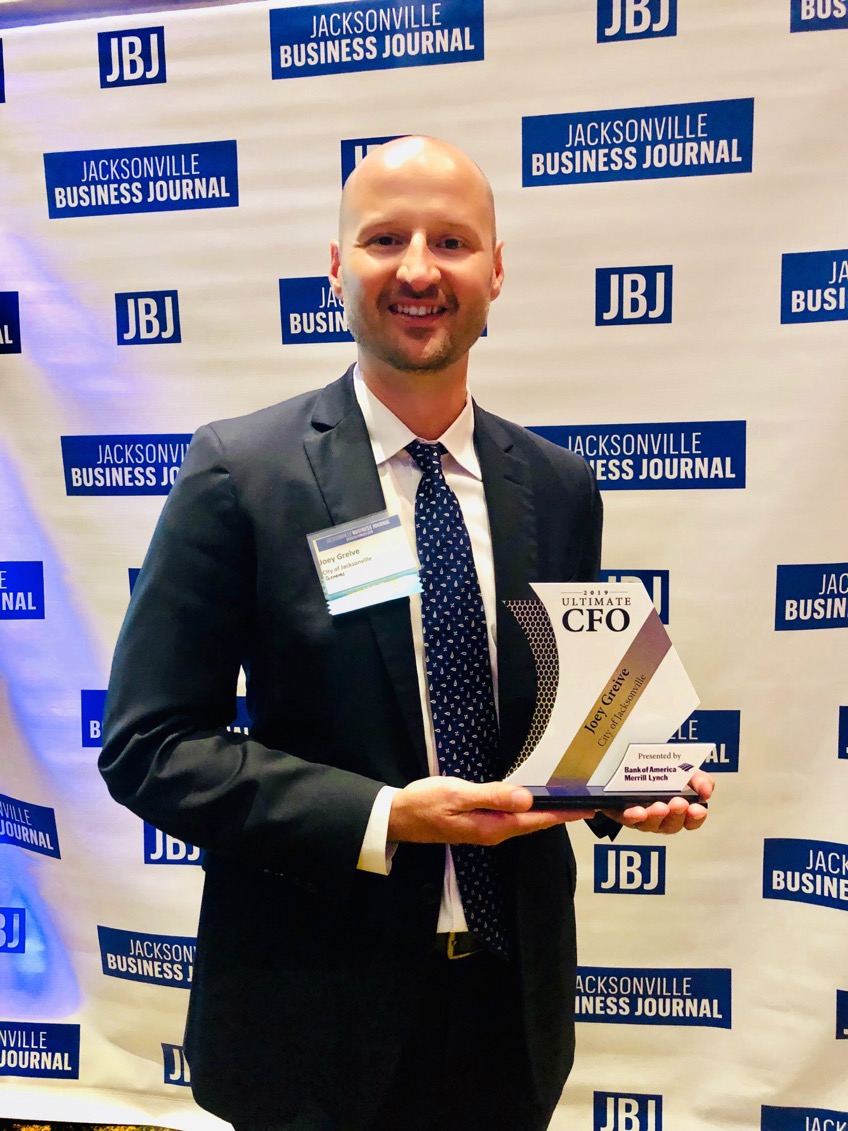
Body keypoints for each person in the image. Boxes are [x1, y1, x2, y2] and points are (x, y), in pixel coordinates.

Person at [99, 136, 713, 1131]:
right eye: (385, 238)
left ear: (496, 271)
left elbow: (566, 723)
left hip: (509, 1012)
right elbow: (149, 748)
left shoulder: (557, 489)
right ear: (337, 267)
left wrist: (624, 791)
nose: (419, 268)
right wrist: (387, 816)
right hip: (309, 1015)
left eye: (452, 241)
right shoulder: (239, 476)